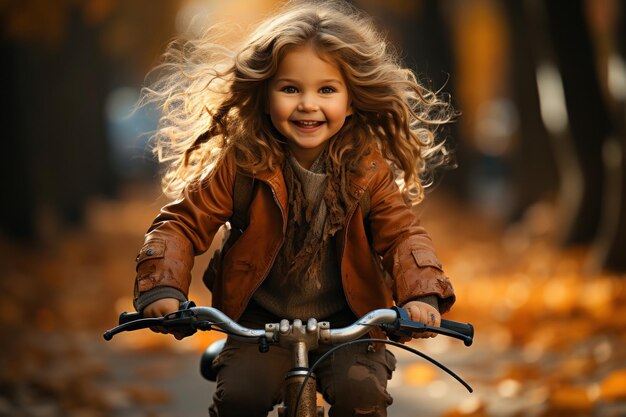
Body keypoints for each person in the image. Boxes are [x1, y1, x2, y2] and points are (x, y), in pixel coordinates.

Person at [132, 1, 456, 416]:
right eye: (290, 89)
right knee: (240, 398)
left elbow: (403, 234)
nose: (307, 104)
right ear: (265, 95)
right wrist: (163, 287)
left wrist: (421, 294)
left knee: (363, 396)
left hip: (348, 323)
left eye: (326, 89)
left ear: (352, 100)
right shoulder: (243, 161)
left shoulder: (368, 167)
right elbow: (182, 222)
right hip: (257, 324)